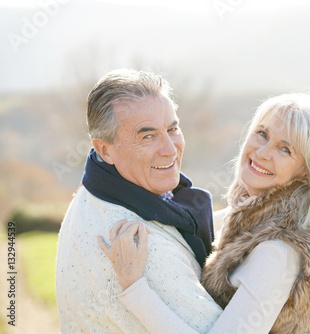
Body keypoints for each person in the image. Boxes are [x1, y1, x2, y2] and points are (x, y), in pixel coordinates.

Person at [99, 93, 310, 333]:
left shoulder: (279, 249)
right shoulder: (249, 217)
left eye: (285, 149)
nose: (262, 153)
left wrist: (134, 288)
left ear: (306, 171)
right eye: (262, 134)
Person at [55, 69, 224, 333]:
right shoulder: (141, 247)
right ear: (104, 149)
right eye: (147, 136)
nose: (169, 148)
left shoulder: (94, 188)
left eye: (172, 129)